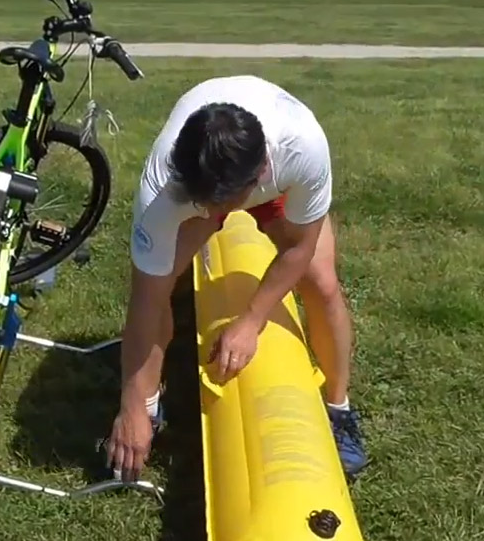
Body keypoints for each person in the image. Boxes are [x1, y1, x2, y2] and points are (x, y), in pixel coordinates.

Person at [105, 74, 368, 483]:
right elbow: (146, 299)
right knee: (161, 283)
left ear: (260, 171)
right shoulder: (166, 182)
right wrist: (132, 403)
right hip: (204, 187)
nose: (214, 216)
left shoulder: (303, 148)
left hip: (277, 183)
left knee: (321, 282)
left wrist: (251, 321)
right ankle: (152, 409)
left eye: (221, 207)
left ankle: (339, 409)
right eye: (204, 205)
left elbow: (298, 249)